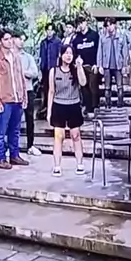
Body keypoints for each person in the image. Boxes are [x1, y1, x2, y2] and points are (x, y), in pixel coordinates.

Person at [0, 28, 29, 170]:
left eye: (10, 38)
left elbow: (21, 78)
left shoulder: (16, 57)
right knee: (1, 131)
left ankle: (14, 155)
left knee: (15, 130)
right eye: (6, 39)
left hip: (17, 98)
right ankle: (0, 158)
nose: (9, 41)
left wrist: (24, 96)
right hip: (4, 100)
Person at [47, 44, 87, 176]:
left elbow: (83, 83)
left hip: (73, 105)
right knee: (59, 136)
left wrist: (80, 66)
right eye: (66, 53)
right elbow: (51, 91)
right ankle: (57, 166)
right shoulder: (54, 71)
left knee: (76, 135)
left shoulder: (75, 70)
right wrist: (49, 111)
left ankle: (80, 164)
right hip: (59, 105)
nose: (68, 56)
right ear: (61, 55)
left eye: (71, 53)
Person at [13, 32, 41, 157]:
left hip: (28, 90)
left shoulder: (28, 57)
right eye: (20, 39)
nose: (22, 42)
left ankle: (30, 145)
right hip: (14, 91)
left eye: (24, 39)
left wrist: (23, 72)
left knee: (30, 118)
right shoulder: (10, 56)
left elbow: (35, 72)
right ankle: (12, 146)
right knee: (14, 120)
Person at [97, 17, 128, 109]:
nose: (109, 27)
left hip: (118, 65)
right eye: (107, 25)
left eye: (111, 25)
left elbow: (125, 52)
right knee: (107, 87)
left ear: (115, 25)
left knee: (120, 86)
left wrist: (125, 65)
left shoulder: (121, 37)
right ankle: (108, 104)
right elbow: (100, 52)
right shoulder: (103, 37)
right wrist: (99, 65)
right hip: (106, 65)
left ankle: (120, 104)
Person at [73, 16, 100, 116]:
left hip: (92, 65)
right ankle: (88, 108)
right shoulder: (76, 38)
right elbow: (74, 52)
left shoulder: (94, 35)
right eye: (78, 24)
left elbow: (99, 50)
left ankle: (94, 107)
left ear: (86, 23)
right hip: (82, 67)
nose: (80, 25)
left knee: (93, 87)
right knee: (84, 87)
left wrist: (97, 64)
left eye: (82, 23)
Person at [38, 24, 61, 119]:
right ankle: (46, 108)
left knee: (54, 89)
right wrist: (40, 69)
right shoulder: (43, 42)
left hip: (54, 69)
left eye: (51, 30)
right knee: (45, 89)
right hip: (45, 69)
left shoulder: (57, 42)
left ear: (54, 31)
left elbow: (59, 55)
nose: (49, 32)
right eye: (48, 30)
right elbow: (41, 57)